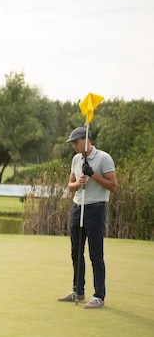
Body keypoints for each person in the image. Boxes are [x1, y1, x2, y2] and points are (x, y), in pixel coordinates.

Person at [57, 127, 117, 309]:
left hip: (95, 210)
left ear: (86, 139)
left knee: (95, 255)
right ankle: (78, 290)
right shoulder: (76, 159)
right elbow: (70, 186)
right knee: (76, 253)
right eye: (72, 143)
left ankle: (99, 296)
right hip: (77, 208)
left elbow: (113, 186)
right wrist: (78, 182)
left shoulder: (104, 158)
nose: (73, 146)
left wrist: (93, 175)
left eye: (76, 142)